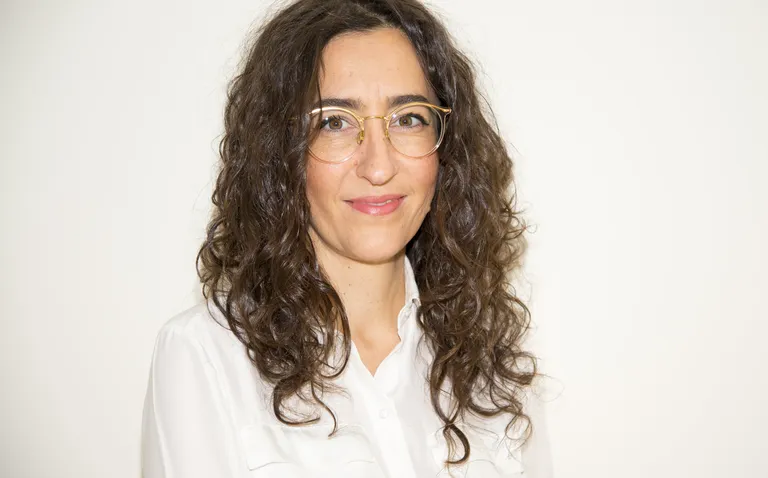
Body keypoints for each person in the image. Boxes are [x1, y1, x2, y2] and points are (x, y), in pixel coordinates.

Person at [141, 0, 552, 476]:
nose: (378, 167)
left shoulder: (493, 371)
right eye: (334, 122)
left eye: (409, 118)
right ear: (281, 154)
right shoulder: (205, 357)